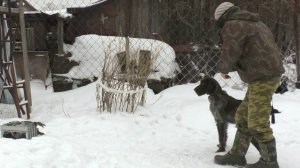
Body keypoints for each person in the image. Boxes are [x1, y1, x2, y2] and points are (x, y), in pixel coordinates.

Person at [213, 2, 284, 168]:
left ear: (222, 17)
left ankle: (269, 161)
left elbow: (231, 50)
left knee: (257, 122)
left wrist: (224, 68)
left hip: (263, 77)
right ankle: (237, 155)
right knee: (242, 116)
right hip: (265, 75)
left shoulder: (232, 25)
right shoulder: (256, 23)